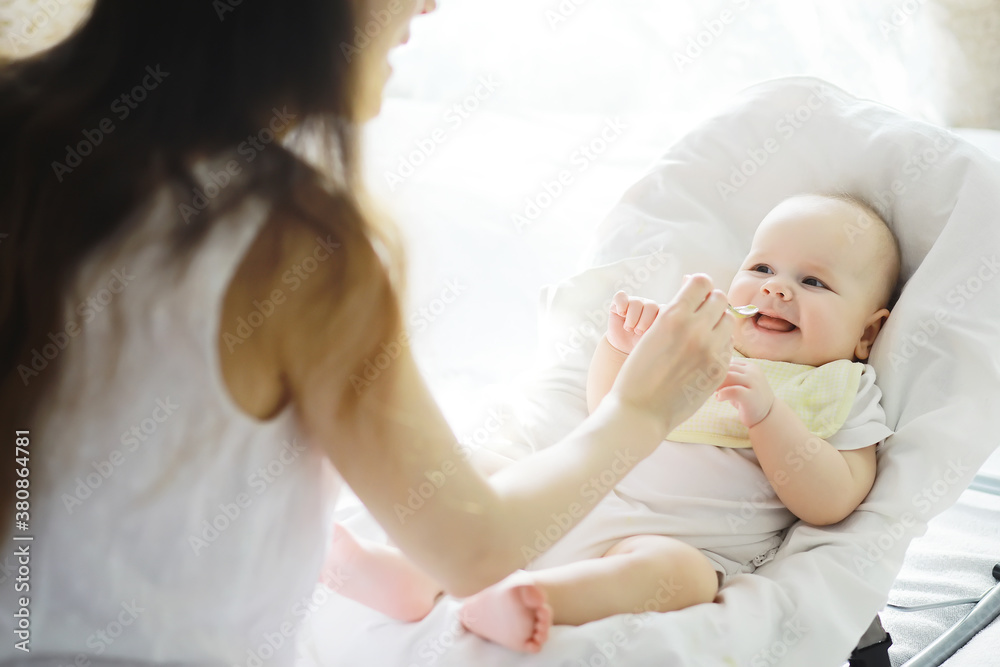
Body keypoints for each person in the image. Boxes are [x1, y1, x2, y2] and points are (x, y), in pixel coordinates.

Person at [0, 0, 735, 663]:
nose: (431, 3)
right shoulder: (289, 248)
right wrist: (638, 412)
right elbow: (474, 544)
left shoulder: (23, 128)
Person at [323, 192, 900, 653]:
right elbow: (606, 412)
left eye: (813, 282)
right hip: (562, 506)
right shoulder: (704, 348)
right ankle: (412, 574)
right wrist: (622, 349)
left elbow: (833, 500)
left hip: (661, 543)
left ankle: (529, 597)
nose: (775, 288)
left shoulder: (841, 389)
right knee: (483, 466)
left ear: (866, 333)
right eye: (762, 267)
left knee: (679, 575)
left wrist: (771, 417)